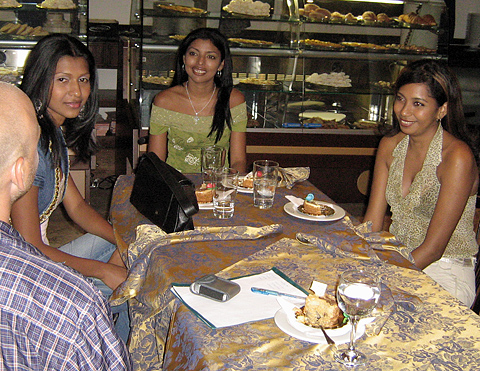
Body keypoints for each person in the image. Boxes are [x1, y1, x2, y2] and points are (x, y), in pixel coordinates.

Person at [0, 82, 132, 369]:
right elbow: (31, 250)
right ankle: (122, 339)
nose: (76, 90)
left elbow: (79, 208)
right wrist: (105, 271)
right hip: (34, 259)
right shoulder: (32, 145)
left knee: (130, 238)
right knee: (129, 290)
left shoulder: (52, 136)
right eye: (63, 79)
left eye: (83, 79)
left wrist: (125, 244)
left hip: (38, 252)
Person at [363, 59, 479, 307]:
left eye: (418, 104)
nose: (404, 111)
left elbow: (434, 249)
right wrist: (356, 261)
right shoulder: (390, 145)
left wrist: (383, 278)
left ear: (442, 110)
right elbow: (371, 224)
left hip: (445, 270)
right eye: (400, 99)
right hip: (396, 256)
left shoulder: (456, 157)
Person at [148, 27, 247, 174]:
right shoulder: (164, 101)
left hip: (218, 186)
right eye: (193, 54)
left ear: (221, 64)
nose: (200, 62)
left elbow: (238, 161)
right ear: (184, 58)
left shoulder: (234, 100)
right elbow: (156, 162)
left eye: (210, 57)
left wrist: (227, 187)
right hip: (176, 186)